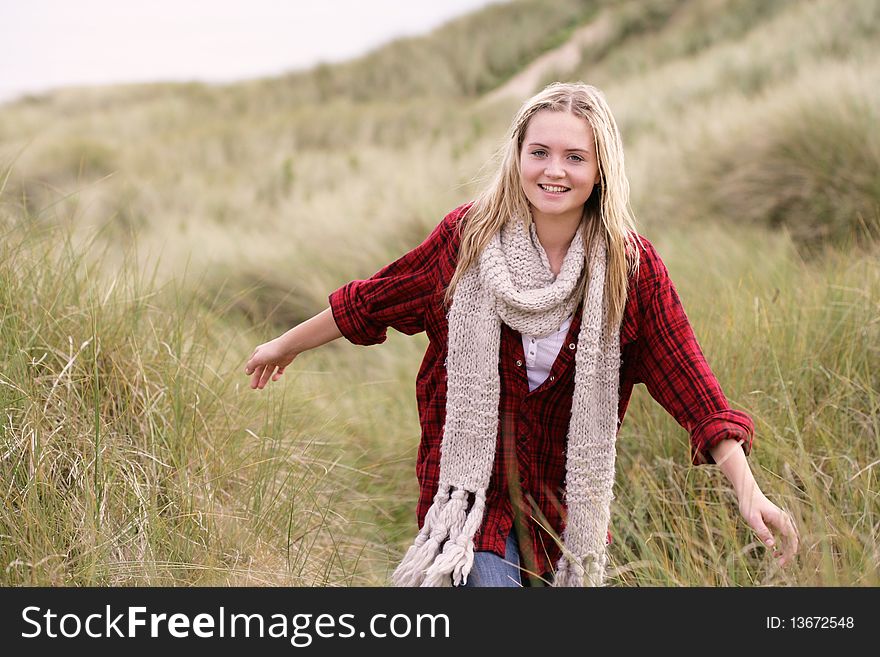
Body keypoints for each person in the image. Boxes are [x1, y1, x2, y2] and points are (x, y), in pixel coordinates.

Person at [244, 82, 799, 587]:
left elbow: (693, 388)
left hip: (566, 514)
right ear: (517, 156)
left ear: (601, 168)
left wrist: (751, 496)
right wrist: (285, 343)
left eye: (574, 157)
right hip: (469, 502)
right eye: (540, 152)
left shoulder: (630, 270)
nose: (553, 171)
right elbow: (376, 299)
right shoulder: (468, 241)